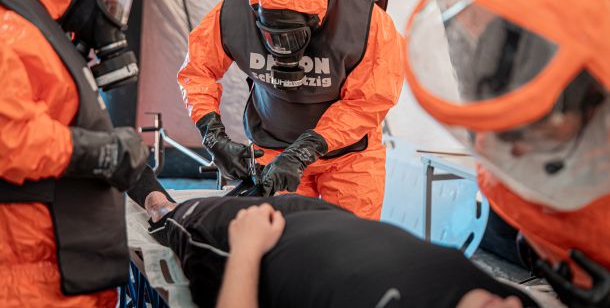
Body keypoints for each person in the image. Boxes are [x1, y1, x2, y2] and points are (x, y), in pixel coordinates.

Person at [403, 0, 610, 308]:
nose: (516, 150)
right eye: (509, 135)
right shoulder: (501, 163)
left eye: (533, 131)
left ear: (589, 94)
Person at [0, 0, 149, 307]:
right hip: (25, 279)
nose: (114, 15)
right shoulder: (10, 33)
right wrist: (102, 151)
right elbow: (9, 139)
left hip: (59, 271)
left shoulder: (42, 36)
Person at [178, 0, 403, 219]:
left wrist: (304, 151)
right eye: (271, 36)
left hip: (349, 157)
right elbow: (197, 71)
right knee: (278, 235)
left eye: (291, 36)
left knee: (351, 239)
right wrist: (213, 136)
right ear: (256, 15)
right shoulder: (232, 14)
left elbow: (369, 100)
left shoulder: (365, 21)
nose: (281, 46)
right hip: (273, 150)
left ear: (315, 21)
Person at [127, 169, 539, 308]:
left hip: (256, 241)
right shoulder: (513, 300)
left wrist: (247, 250)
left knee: (175, 216)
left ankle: (155, 200)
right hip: (332, 222)